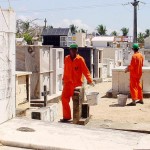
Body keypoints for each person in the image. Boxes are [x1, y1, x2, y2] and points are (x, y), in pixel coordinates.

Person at [60, 44, 95, 122]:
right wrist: (63, 79)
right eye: (72, 50)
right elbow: (65, 70)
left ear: (77, 50)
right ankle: (67, 117)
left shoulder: (80, 59)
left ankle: (78, 117)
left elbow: (85, 70)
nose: (73, 51)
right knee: (64, 99)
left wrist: (90, 80)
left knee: (77, 101)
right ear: (70, 50)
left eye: (74, 49)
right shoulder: (66, 59)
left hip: (77, 84)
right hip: (68, 83)